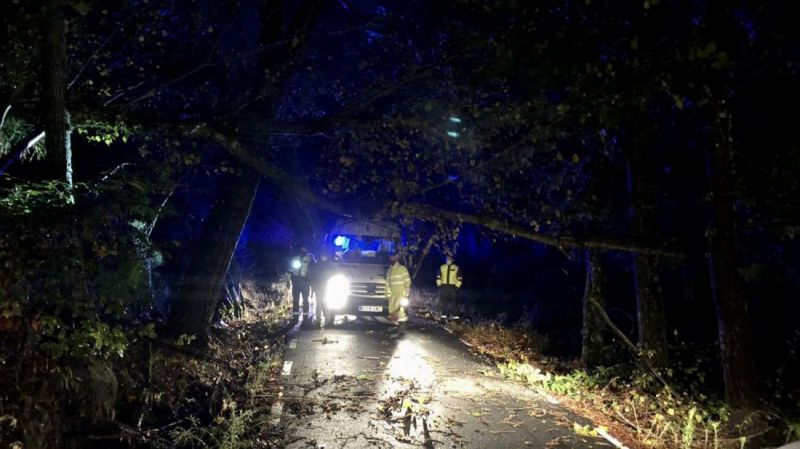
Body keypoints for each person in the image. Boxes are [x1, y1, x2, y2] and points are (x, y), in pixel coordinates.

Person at [308, 250, 336, 328]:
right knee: (319, 305)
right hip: (320, 287)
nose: (323, 257)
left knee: (326, 304)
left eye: (324, 256)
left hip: (326, 287)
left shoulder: (321, 265)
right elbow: (313, 277)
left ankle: (327, 321)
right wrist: (314, 287)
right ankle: (319, 321)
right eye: (322, 256)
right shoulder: (324, 265)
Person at [289, 245, 315, 325]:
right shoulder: (295, 258)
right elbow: (290, 271)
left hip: (305, 282)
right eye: (302, 248)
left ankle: (305, 319)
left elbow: (313, 271)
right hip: (296, 281)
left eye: (305, 248)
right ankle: (295, 318)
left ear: (307, 250)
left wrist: (311, 282)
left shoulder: (310, 259)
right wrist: (288, 281)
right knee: (296, 300)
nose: (303, 250)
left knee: (305, 300)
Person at [386, 253, 411, 324]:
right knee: (392, 309)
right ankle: (395, 320)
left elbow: (407, 280)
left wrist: (406, 290)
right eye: (390, 258)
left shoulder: (402, 269)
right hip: (393, 293)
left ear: (396, 258)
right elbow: (388, 283)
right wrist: (387, 293)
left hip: (401, 292)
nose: (391, 259)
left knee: (399, 308)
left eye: (392, 258)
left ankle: (400, 318)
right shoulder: (389, 271)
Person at [436, 252, 463, 320]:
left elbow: (459, 279)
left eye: (449, 258)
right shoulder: (442, 267)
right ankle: (443, 317)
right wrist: (440, 286)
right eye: (447, 258)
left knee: (454, 303)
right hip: (444, 287)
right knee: (444, 302)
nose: (448, 259)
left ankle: (456, 318)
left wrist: (456, 287)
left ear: (452, 259)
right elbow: (438, 277)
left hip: (452, 287)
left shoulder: (456, 268)